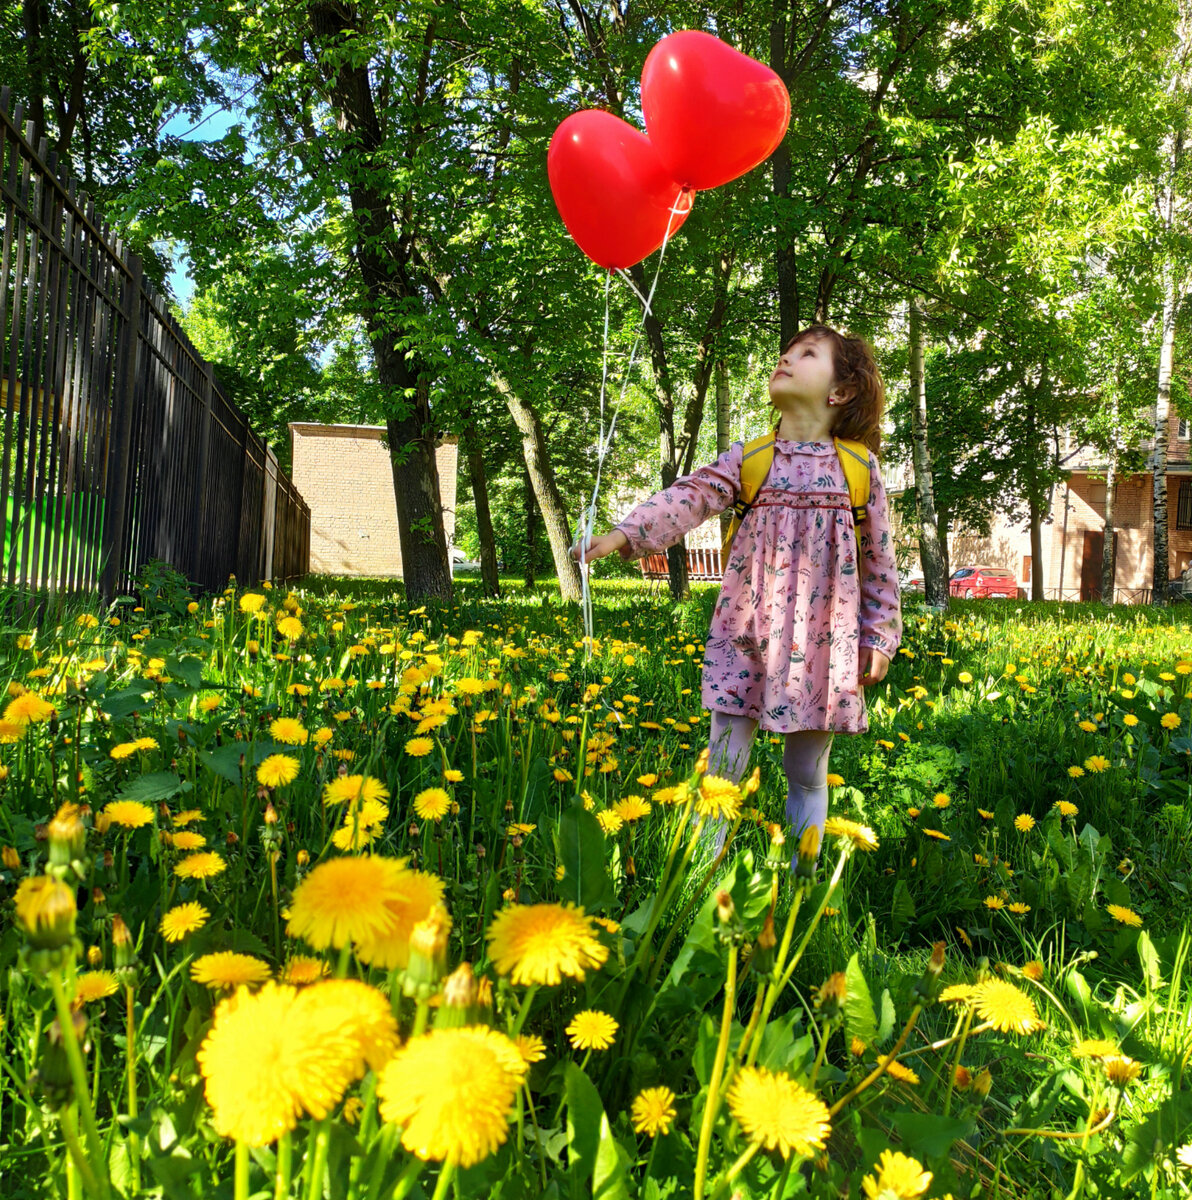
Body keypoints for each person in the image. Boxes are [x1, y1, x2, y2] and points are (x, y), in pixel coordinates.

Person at [569, 323, 902, 858]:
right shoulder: (751, 458)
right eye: (787, 350)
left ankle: (804, 880)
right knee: (723, 763)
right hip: (746, 630)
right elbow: (691, 496)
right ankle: (699, 874)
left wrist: (880, 636)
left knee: (807, 772)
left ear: (840, 392)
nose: (787, 358)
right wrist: (623, 535)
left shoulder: (859, 470)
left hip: (824, 643)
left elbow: (880, 561)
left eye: (808, 353)